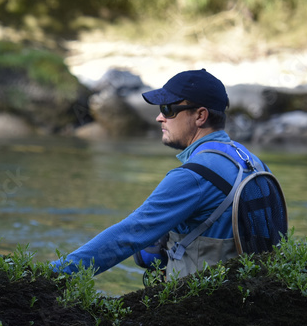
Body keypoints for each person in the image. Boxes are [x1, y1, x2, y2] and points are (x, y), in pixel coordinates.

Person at [52, 68, 269, 279]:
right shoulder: (253, 162)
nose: (159, 117)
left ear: (200, 116)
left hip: (202, 305)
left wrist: (49, 276)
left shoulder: (193, 176)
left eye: (167, 109)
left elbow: (126, 236)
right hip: (247, 292)